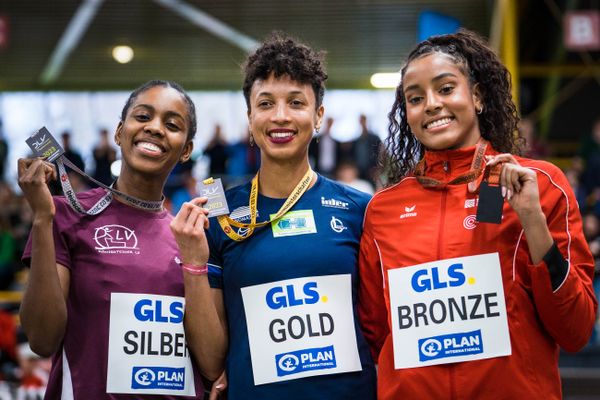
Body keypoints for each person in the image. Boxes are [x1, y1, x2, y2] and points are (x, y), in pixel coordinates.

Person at [358, 30, 597, 399]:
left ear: (479, 96)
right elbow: (377, 330)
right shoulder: (383, 209)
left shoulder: (540, 184)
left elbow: (576, 330)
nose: (432, 104)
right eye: (416, 98)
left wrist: (532, 220)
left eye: (446, 88)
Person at [185, 33, 376, 399]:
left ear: (318, 115)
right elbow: (211, 362)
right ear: (250, 117)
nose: (281, 116)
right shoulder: (220, 215)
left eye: (296, 102)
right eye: (266, 103)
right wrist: (193, 263)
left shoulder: (358, 209)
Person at [18, 80, 225, 399]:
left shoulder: (192, 237)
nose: (155, 128)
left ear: (186, 150)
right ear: (118, 132)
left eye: (172, 124)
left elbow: (211, 366)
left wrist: (195, 264)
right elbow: (42, 339)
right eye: (143, 117)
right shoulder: (64, 214)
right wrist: (43, 220)